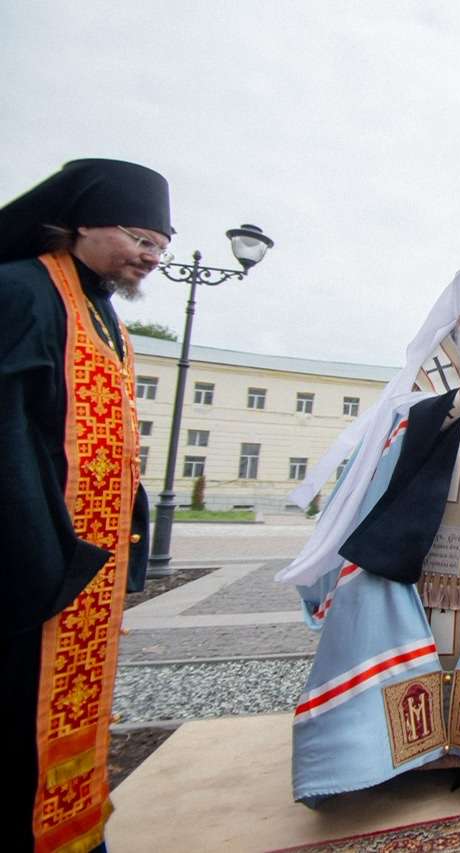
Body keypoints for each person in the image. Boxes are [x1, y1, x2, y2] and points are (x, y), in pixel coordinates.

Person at [277, 267, 460, 805]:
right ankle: (404, 745)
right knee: (425, 630)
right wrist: (457, 403)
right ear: (459, 318)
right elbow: (393, 434)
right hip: (428, 540)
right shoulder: (427, 370)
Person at [0, 159, 172, 851]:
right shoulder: (20, 292)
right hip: (29, 567)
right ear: (81, 223)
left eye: (161, 246)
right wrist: (45, 560)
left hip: (80, 572)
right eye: (140, 238)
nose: (151, 258)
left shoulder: (100, 314)